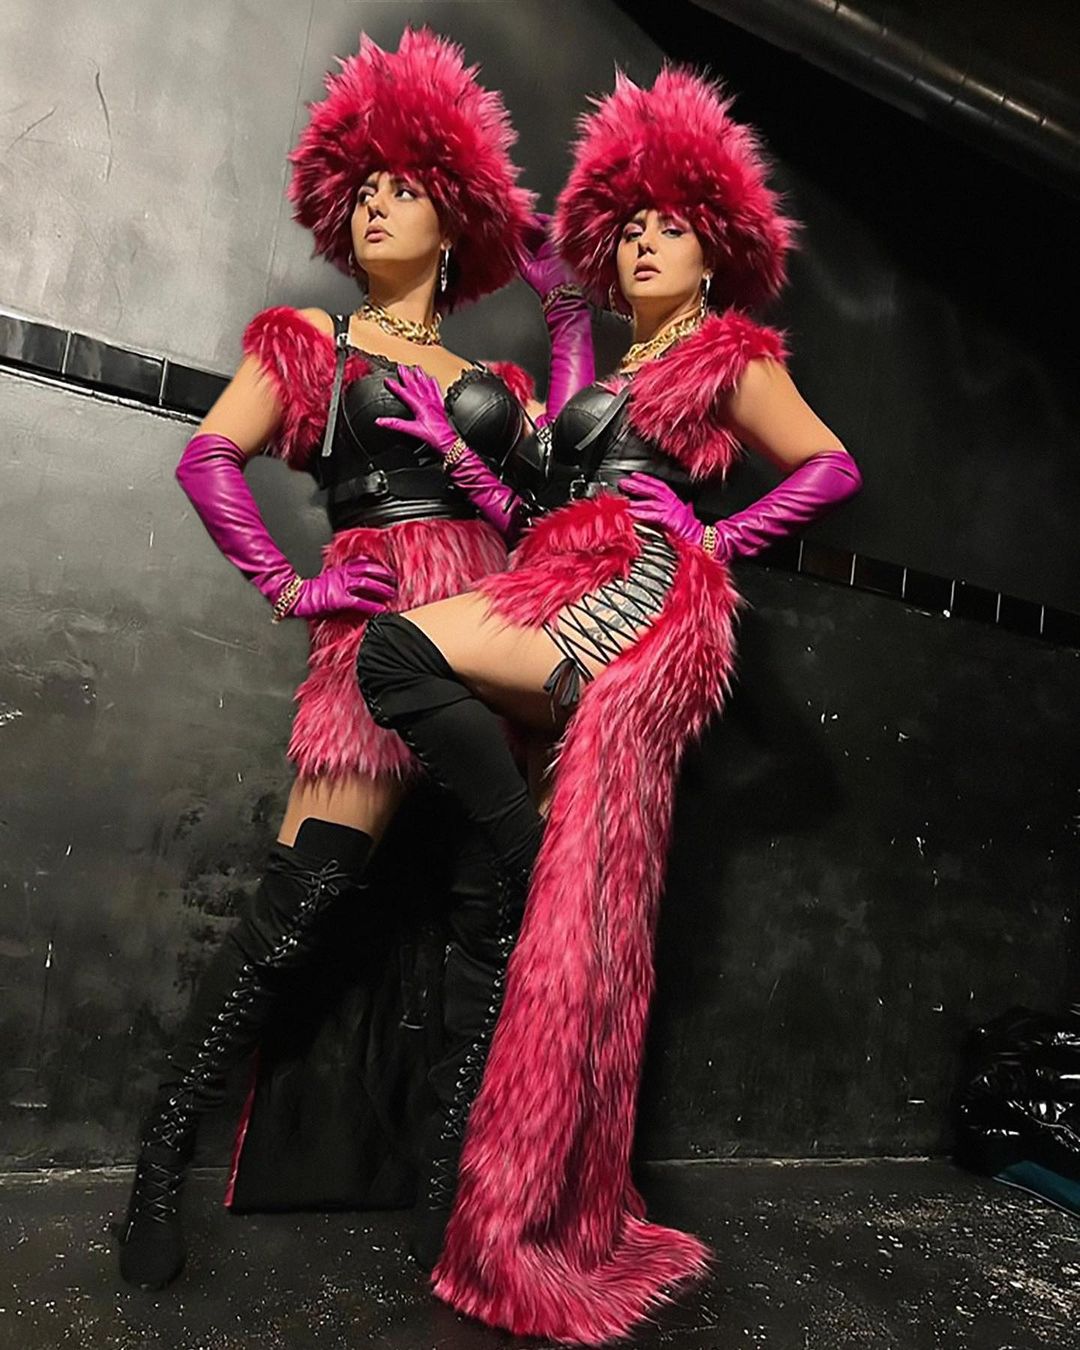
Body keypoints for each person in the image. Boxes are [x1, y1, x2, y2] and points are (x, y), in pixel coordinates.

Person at [354, 65, 863, 1343]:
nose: (643, 242)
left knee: (399, 657)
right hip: (561, 569)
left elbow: (831, 466)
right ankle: (544, 878)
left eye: (669, 227)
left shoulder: (729, 356)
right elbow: (553, 443)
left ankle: (545, 831)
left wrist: (715, 537)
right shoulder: (613, 356)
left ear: (714, 251)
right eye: (630, 225)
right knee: (420, 693)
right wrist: (486, 396)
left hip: (632, 593)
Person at [114, 26, 594, 1291]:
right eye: (363, 189)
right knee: (301, 907)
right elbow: (208, 458)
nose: (376, 205)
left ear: (452, 221)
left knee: (488, 925)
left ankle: (449, 1207)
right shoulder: (311, 344)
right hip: (379, 641)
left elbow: (564, 482)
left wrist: (564, 311)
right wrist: (294, 583)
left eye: (404, 187)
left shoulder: (494, 377)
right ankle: (156, 1167)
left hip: (492, 629)